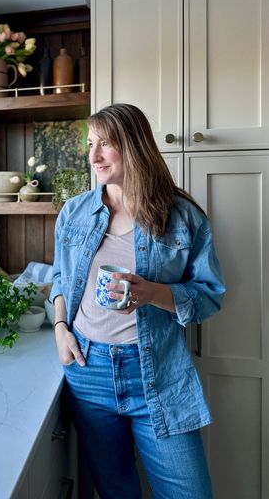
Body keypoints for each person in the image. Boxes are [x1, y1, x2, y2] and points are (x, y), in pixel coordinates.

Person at [50, 103, 226, 499]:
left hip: (158, 373)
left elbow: (209, 297)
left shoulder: (182, 217)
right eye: (90, 143)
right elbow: (60, 277)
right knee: (116, 492)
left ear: (134, 147)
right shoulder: (74, 213)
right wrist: (61, 329)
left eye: (106, 144)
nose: (93, 156)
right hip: (88, 369)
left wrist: (151, 293)